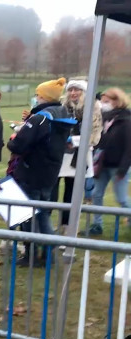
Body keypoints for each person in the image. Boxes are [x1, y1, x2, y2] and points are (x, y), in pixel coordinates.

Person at [8, 77, 74, 264]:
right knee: (43, 212)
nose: (36, 98)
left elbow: (19, 145)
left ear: (44, 97)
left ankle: (32, 253)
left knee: (29, 214)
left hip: (32, 171)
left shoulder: (41, 118)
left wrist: (13, 138)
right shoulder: (62, 113)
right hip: (49, 171)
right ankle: (47, 252)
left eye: (38, 95)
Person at [54, 79, 102, 229]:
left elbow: (94, 132)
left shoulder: (92, 106)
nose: (73, 93)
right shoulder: (63, 106)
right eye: (71, 90)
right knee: (53, 189)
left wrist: (75, 141)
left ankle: (68, 226)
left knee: (72, 192)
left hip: (79, 155)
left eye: (77, 90)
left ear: (83, 92)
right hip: (62, 153)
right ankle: (56, 224)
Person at [88, 87, 131, 236]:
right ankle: (97, 225)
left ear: (116, 101)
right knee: (96, 194)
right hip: (102, 164)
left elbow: (129, 147)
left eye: (107, 101)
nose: (103, 104)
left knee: (122, 198)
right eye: (102, 101)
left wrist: (123, 169)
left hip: (118, 165)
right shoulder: (103, 117)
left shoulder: (126, 121)